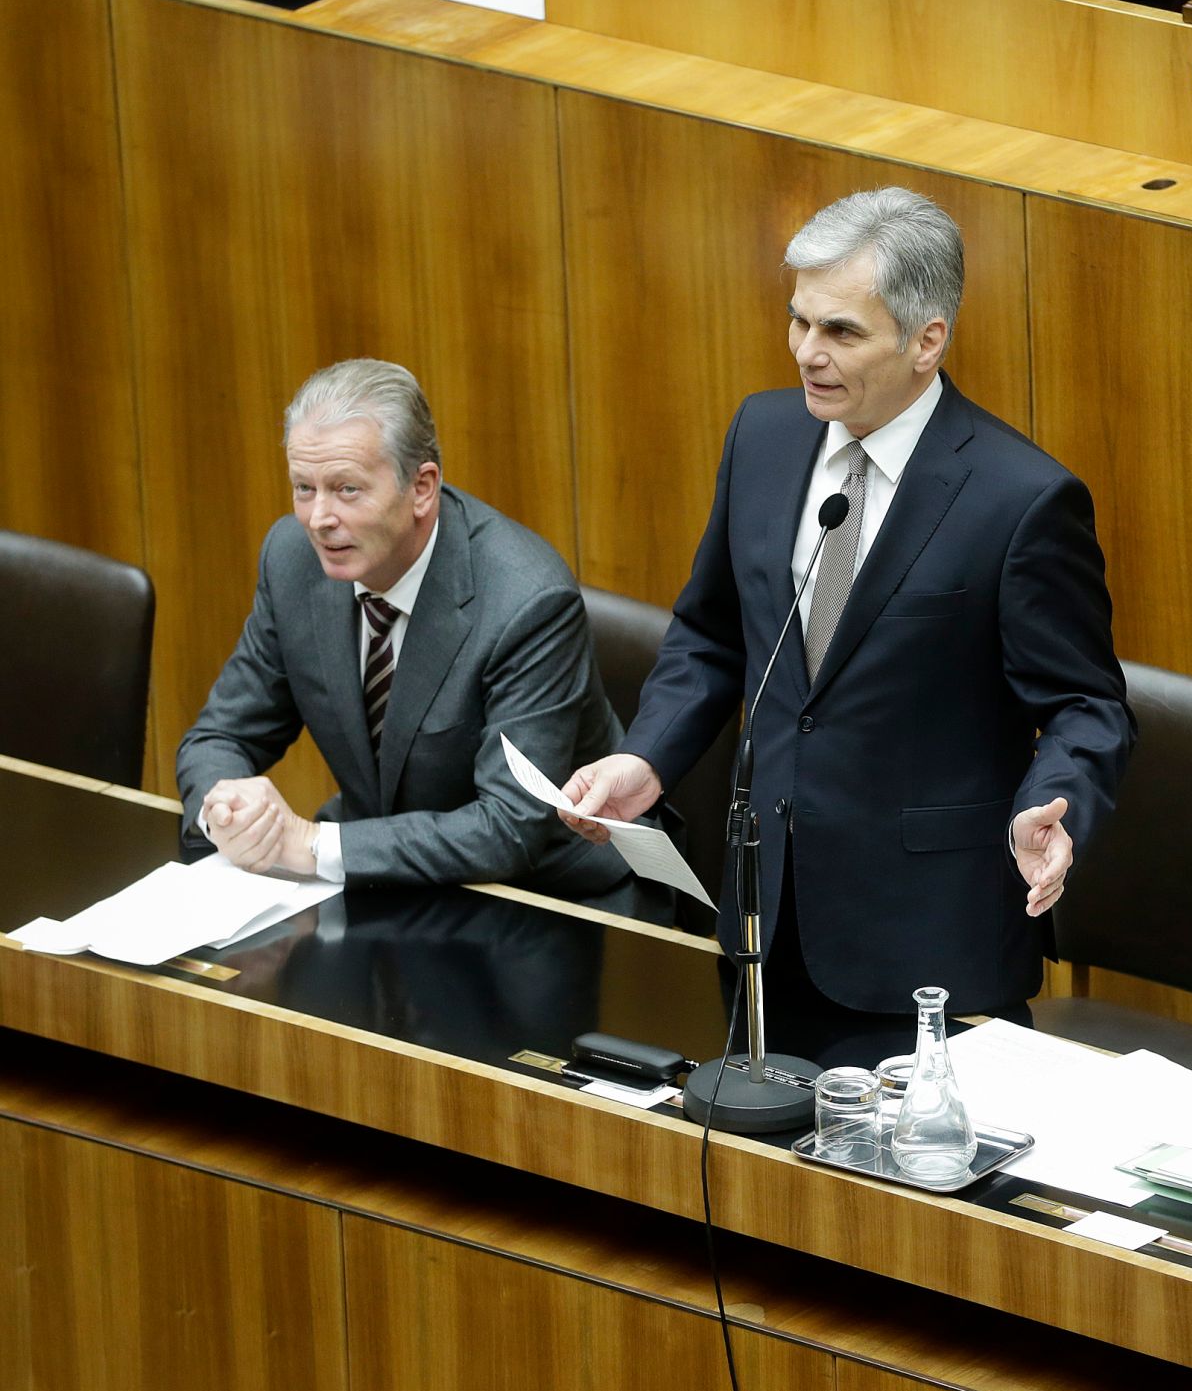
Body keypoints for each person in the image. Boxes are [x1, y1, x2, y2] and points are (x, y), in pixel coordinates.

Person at [558, 187, 1134, 1021]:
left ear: (927, 340)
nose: (806, 352)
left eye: (841, 331)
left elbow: (1087, 705)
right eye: (799, 320)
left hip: (928, 943)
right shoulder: (762, 435)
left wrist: (1056, 805)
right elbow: (714, 635)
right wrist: (647, 759)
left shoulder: (1022, 500)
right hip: (763, 910)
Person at [177, 358, 641, 910]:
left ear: (422, 488)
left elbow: (509, 825)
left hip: (539, 896)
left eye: (346, 489)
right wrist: (227, 809)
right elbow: (218, 739)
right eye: (304, 488)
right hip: (382, 877)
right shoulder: (292, 561)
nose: (319, 518)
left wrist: (312, 844)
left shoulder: (527, 600)